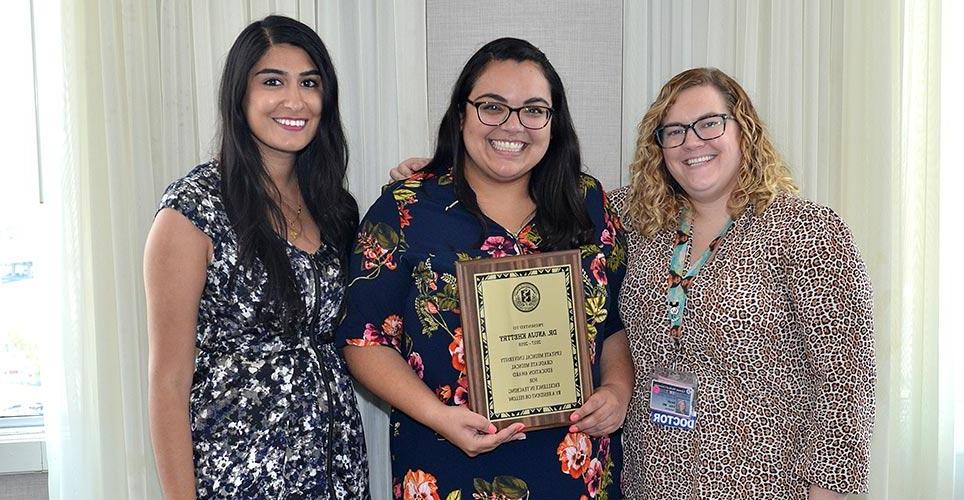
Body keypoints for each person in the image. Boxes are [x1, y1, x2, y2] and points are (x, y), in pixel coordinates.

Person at [336, 38, 633, 499]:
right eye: (492, 107)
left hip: (573, 469)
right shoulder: (405, 209)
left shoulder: (587, 203)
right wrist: (439, 417)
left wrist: (616, 390)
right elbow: (363, 340)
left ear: (554, 122)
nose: (513, 126)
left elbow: (611, 322)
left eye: (534, 110)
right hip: (447, 459)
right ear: (461, 114)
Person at [612, 67, 875, 499]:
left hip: (764, 482)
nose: (692, 141)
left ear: (743, 130)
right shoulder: (634, 221)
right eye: (673, 131)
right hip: (651, 480)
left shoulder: (806, 230)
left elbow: (845, 387)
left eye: (709, 123)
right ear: (657, 148)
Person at [144, 15, 368, 499]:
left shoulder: (335, 208)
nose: (295, 100)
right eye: (273, 82)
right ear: (239, 95)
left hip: (335, 469)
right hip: (239, 475)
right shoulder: (192, 210)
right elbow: (168, 381)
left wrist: (420, 182)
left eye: (309, 83)